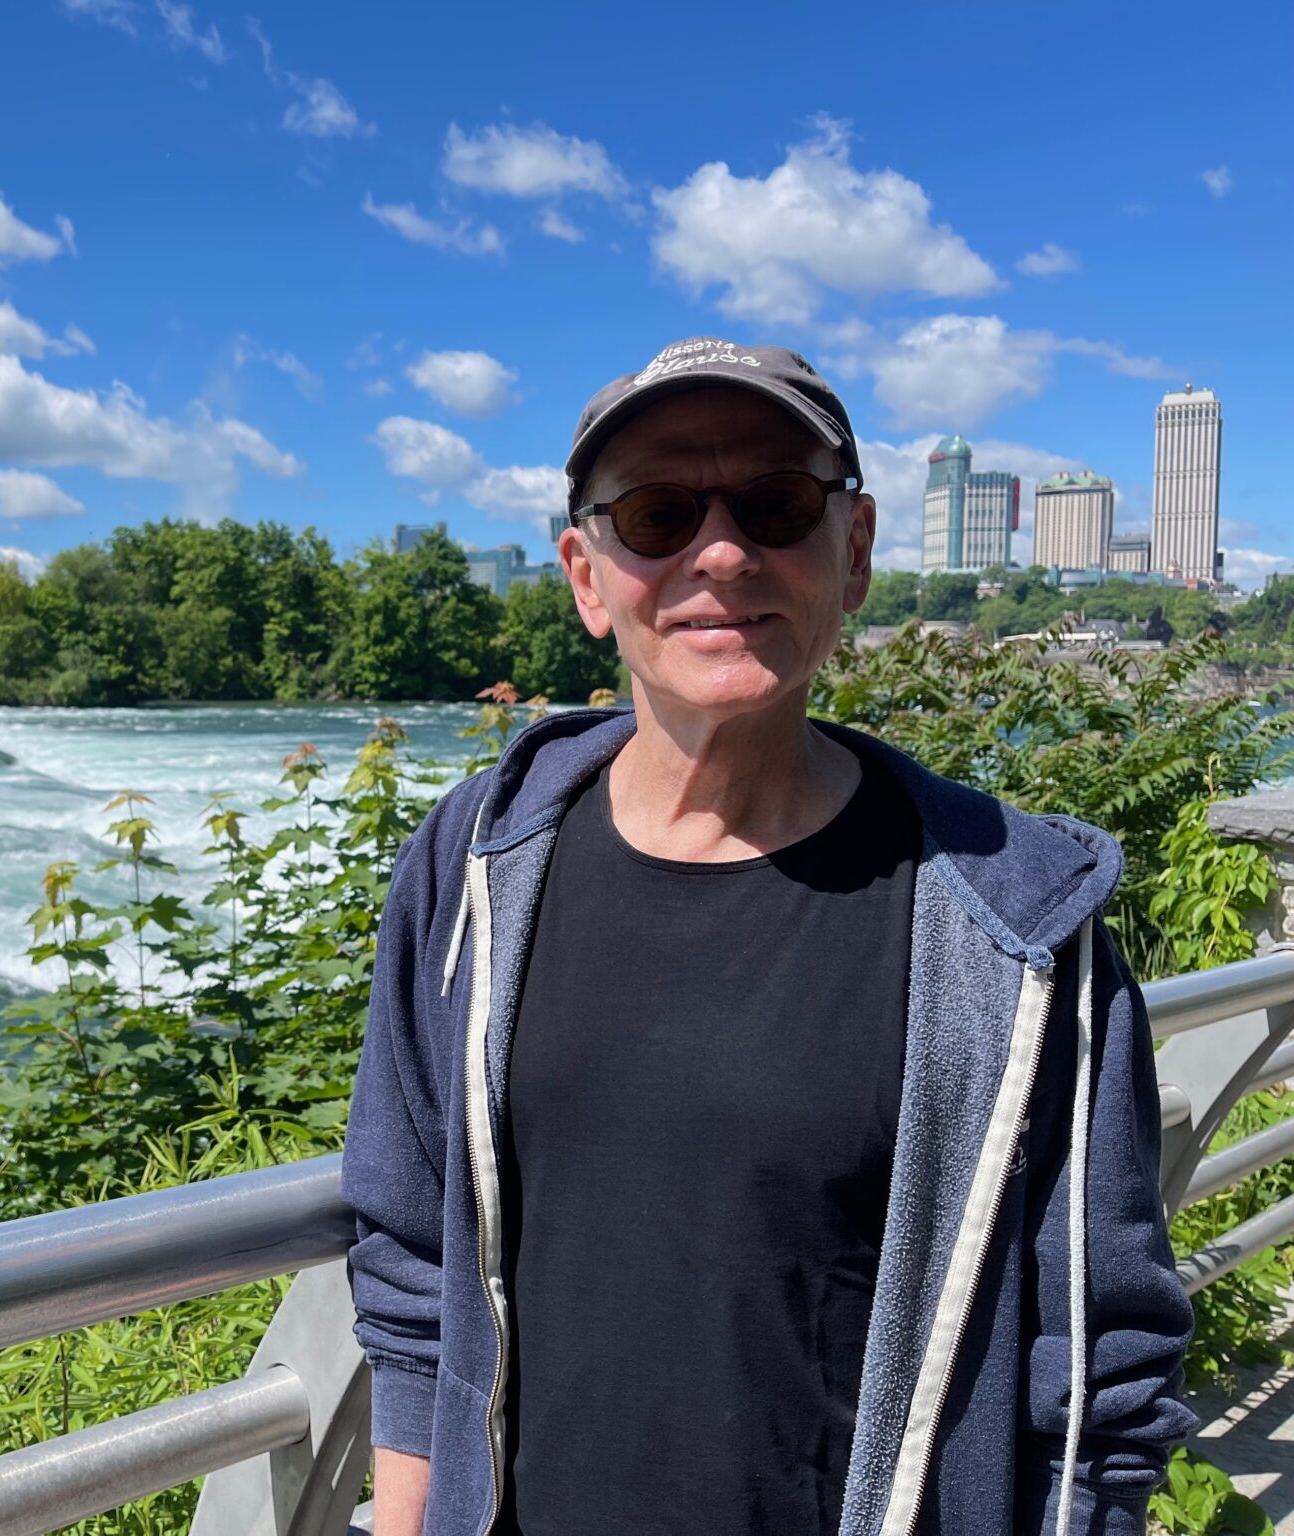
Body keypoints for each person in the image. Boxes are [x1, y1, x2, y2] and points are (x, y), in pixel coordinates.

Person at [341, 337, 1195, 1536]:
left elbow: (1100, 1374)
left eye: (777, 503)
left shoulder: (1015, 923)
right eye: (656, 514)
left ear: (851, 554)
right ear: (587, 578)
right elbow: (410, 1272)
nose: (722, 551)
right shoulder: (469, 864)